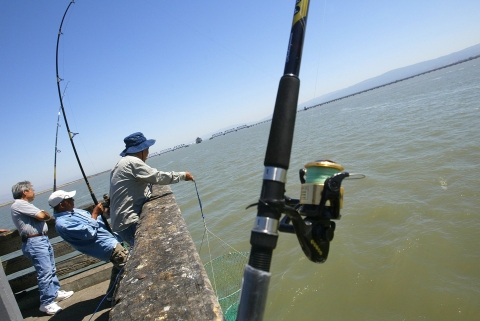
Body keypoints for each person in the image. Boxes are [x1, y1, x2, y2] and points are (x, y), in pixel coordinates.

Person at [109, 132, 194, 246]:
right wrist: (183, 175)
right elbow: (157, 177)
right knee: (152, 248)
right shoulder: (133, 162)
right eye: (147, 149)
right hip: (128, 223)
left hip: (120, 224)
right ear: (141, 150)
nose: (148, 153)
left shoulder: (120, 164)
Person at [49, 190, 129, 302]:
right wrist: (95, 213)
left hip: (112, 239)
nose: (73, 200)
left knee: (118, 270)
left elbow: (96, 220)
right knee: (129, 269)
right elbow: (89, 233)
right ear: (62, 205)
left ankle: (111, 295)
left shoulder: (74, 211)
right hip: (107, 246)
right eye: (69, 199)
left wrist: (105, 212)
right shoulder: (63, 224)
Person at [10, 181, 73, 315]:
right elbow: (41, 215)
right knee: (44, 272)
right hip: (35, 241)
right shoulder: (19, 204)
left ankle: (54, 293)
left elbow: (41, 216)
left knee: (50, 269)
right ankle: (46, 303)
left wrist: (43, 214)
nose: (34, 191)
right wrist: (44, 213)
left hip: (40, 239)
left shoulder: (25, 205)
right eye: (31, 189)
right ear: (24, 192)